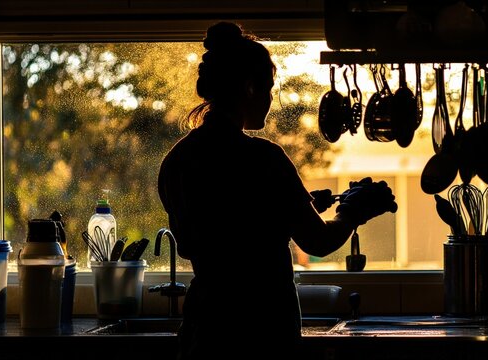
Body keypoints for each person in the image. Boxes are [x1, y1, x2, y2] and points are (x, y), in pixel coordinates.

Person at [157, 21, 398, 360]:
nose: (271, 100)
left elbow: (235, 221)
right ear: (249, 88)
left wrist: (302, 205)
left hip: (206, 329)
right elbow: (317, 241)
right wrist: (352, 212)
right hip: (262, 331)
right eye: (269, 89)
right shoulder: (262, 158)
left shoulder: (177, 160)